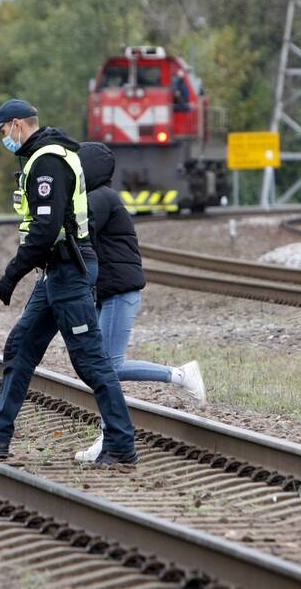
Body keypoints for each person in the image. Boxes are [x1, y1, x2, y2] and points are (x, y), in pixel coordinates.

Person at [0, 99, 138, 466]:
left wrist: (11, 274)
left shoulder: (47, 161)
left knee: (92, 362)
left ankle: (121, 443)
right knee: (20, 347)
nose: (4, 137)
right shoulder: (44, 156)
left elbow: (45, 229)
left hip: (69, 272)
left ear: (18, 125)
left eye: (4, 130)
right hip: (57, 272)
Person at [74, 142, 206, 462]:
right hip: (105, 293)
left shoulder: (101, 199)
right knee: (101, 368)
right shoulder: (97, 197)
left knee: (108, 366)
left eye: (77, 167)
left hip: (119, 293)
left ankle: (179, 376)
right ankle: (107, 436)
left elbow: (81, 234)